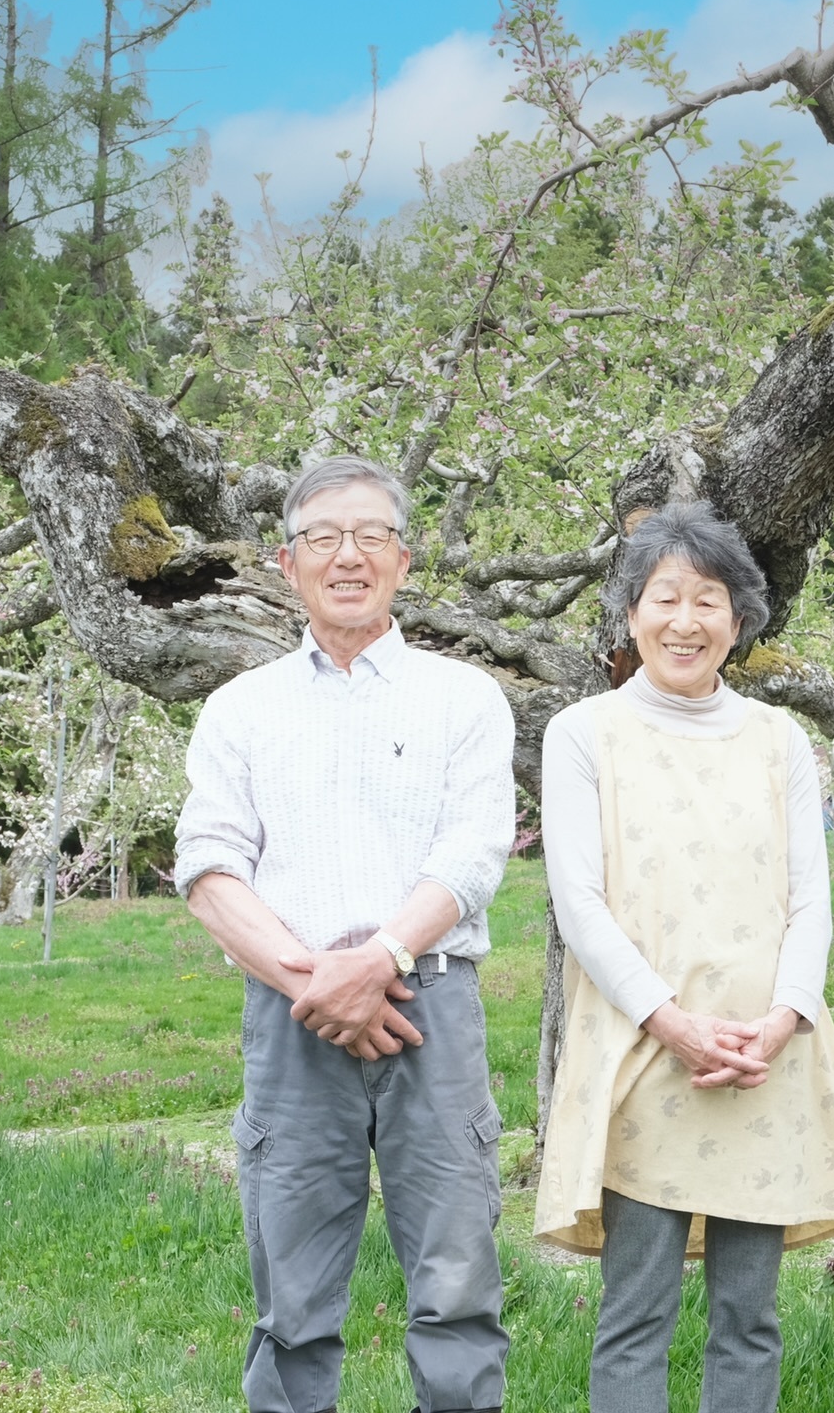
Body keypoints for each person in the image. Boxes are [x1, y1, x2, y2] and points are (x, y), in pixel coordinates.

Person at [176, 455, 516, 1413]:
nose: (348, 555)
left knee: (457, 1283)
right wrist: (317, 983)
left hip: (433, 1006)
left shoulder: (463, 697)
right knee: (292, 1289)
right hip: (292, 1017)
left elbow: (475, 852)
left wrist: (377, 963)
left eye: (371, 536)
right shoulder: (241, 708)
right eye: (324, 538)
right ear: (288, 565)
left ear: (404, 560)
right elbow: (207, 866)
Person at [533, 503, 834, 1413]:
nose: (686, 621)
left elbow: (811, 899)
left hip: (764, 1060)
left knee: (749, 1316)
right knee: (635, 1311)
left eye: (709, 601)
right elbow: (581, 902)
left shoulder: (778, 739)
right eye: (664, 598)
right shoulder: (584, 734)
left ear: (739, 620)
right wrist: (670, 1022)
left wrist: (783, 1019)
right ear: (630, 613)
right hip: (645, 1051)